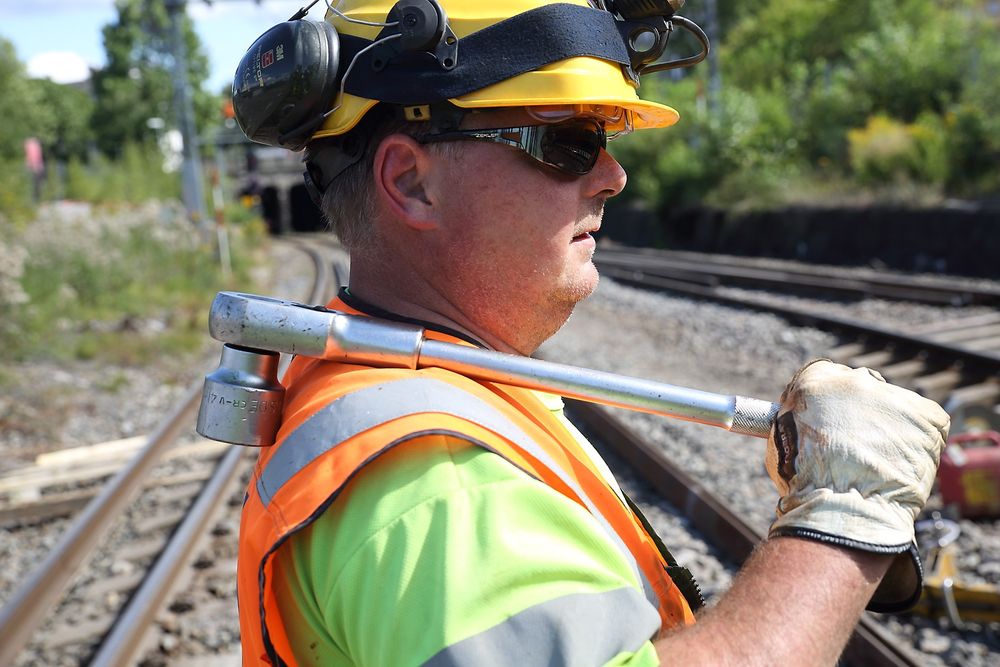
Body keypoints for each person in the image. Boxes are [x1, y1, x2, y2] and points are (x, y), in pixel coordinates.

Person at [230, 1, 950, 664]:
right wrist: (841, 520)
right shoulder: (439, 483)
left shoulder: (410, 382)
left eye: (601, 138)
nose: (613, 174)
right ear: (412, 182)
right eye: (569, 141)